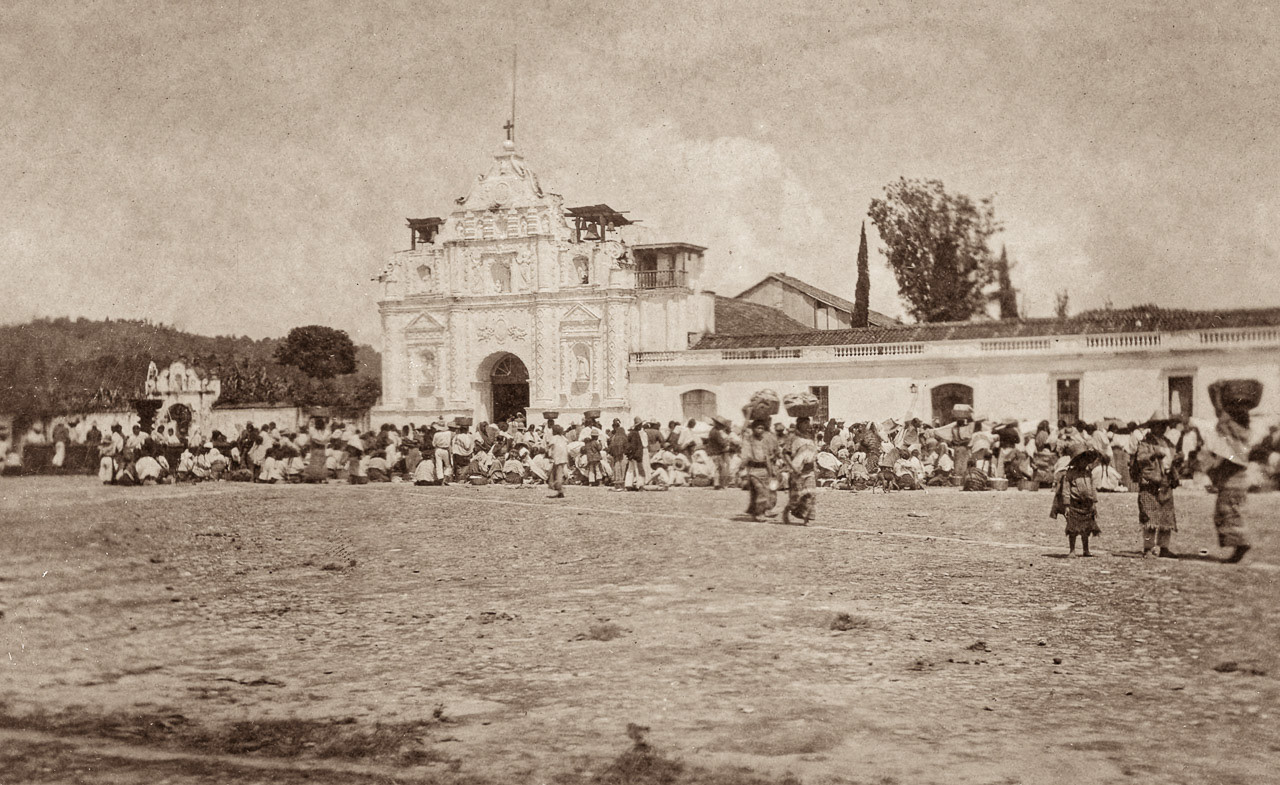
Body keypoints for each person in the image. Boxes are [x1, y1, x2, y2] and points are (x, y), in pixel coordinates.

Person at [1196, 380, 1268, 563]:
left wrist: (1217, 393)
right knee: (1233, 511)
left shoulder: (1230, 427)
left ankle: (1241, 544)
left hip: (1231, 480)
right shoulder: (1243, 429)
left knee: (1227, 512)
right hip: (1239, 480)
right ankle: (1239, 544)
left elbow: (1221, 413)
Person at [1131, 415, 1180, 558]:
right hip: (1150, 482)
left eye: (1164, 425)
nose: (1163, 428)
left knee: (1166, 516)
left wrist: (1178, 459)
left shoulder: (1168, 442)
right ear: (1153, 427)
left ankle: (1164, 547)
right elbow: (1140, 458)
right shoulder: (1145, 443)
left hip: (1166, 480)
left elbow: (1173, 458)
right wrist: (1153, 455)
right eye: (1159, 425)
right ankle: (1148, 548)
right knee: (1149, 516)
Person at [1051, 449, 1101, 557]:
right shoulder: (1069, 474)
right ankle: (1072, 550)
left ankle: (1086, 550)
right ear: (1077, 461)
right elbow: (1066, 490)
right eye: (1083, 461)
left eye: (1086, 461)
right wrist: (1067, 505)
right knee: (1073, 529)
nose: (1085, 463)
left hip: (1086, 505)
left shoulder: (1088, 473)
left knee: (1086, 529)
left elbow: (1092, 489)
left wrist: (1094, 503)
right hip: (1074, 504)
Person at [740, 419, 779, 522]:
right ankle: (759, 513)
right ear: (753, 429)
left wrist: (772, 463)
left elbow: (772, 453)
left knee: (767, 491)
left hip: (765, 469)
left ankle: (762, 510)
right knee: (760, 491)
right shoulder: (749, 440)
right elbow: (746, 455)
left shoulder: (766, 440)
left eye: (762, 428)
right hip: (754, 470)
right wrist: (742, 467)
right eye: (758, 428)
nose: (760, 430)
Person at [781, 418, 817, 525]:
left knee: (810, 494)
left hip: (809, 471)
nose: (808, 425)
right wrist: (793, 467)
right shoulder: (792, 438)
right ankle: (787, 510)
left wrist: (815, 466)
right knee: (796, 497)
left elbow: (813, 453)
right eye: (805, 423)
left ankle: (807, 518)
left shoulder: (811, 437)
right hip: (797, 471)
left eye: (808, 423)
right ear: (799, 424)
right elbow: (785, 454)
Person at [706, 417, 732, 490]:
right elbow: (721, 442)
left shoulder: (712, 431)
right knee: (719, 468)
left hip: (713, 452)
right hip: (717, 453)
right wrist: (726, 443)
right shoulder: (716, 432)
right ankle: (718, 484)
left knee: (717, 468)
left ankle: (717, 484)